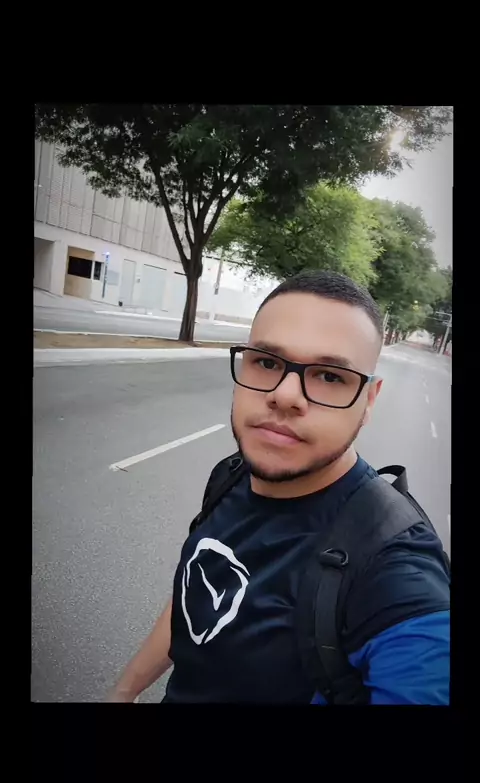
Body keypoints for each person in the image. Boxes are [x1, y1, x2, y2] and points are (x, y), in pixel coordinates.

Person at [107, 271, 450, 705]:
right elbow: (194, 599)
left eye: (330, 376)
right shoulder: (233, 474)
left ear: (369, 400)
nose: (285, 395)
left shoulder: (394, 570)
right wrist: (124, 691)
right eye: (267, 363)